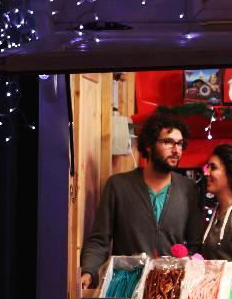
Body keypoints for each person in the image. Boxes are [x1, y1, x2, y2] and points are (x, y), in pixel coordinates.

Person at [80, 112, 203, 288]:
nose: (176, 150)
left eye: (180, 144)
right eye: (168, 142)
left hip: (170, 289)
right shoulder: (118, 186)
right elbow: (99, 240)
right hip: (126, 286)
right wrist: (88, 271)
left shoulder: (188, 189)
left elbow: (195, 245)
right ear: (149, 145)